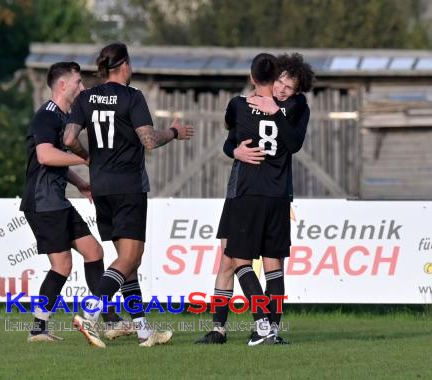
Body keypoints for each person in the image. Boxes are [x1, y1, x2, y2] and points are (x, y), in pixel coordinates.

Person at [63, 42, 194, 348]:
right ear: (123, 65)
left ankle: (144, 331)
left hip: (102, 187)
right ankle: (89, 314)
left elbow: (69, 138)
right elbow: (148, 140)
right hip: (128, 186)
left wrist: (89, 157)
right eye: (131, 63)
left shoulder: (85, 97)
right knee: (130, 257)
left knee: (128, 262)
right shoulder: (131, 96)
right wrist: (173, 133)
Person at [196, 53, 314, 346]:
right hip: (242, 189)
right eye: (280, 81)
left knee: (247, 259)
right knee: (228, 259)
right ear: (272, 78)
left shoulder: (294, 107)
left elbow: (294, 143)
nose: (283, 88)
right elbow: (230, 141)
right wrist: (234, 152)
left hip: (257, 193)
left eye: (290, 85)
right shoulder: (246, 104)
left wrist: (274, 110)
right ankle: (220, 329)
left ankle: (267, 327)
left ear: (298, 90)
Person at [19, 61, 128, 342]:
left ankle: (111, 322)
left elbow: (54, 162)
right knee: (62, 266)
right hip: (42, 202)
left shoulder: (63, 116)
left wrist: (80, 183)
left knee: (94, 252)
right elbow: (45, 156)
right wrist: (85, 159)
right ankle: (38, 329)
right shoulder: (47, 116)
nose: (83, 87)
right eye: (78, 82)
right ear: (63, 85)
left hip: (56, 200)